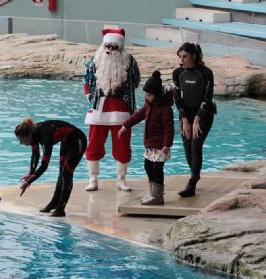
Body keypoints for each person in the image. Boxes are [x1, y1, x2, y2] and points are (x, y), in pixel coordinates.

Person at [83, 27, 141, 192]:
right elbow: (86, 80)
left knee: (123, 146)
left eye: (113, 47)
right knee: (94, 145)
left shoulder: (129, 61)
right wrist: (89, 96)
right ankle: (93, 179)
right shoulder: (94, 60)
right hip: (99, 109)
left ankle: (121, 180)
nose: (109, 50)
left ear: (120, 47)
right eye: (107, 46)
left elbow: (136, 80)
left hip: (121, 110)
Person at [118, 70, 174, 205]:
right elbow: (137, 116)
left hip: (161, 146)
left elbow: (169, 128)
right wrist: (125, 126)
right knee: (148, 167)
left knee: (157, 169)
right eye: (146, 94)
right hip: (150, 145)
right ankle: (152, 193)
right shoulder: (148, 106)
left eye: (149, 94)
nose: (146, 96)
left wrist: (167, 144)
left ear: (156, 95)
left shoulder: (165, 109)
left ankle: (158, 196)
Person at [15, 118, 87, 217]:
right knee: (61, 174)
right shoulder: (33, 134)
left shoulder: (45, 137)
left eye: (21, 139)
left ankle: (61, 209)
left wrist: (29, 181)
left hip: (78, 141)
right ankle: (53, 204)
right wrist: (30, 174)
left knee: (66, 173)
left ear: (29, 135)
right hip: (66, 141)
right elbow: (35, 155)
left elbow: (44, 166)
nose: (20, 143)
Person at [172, 42, 216, 197]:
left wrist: (197, 120)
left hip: (203, 114)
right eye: (180, 57)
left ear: (194, 57)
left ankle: (192, 181)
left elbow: (207, 98)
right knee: (187, 147)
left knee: (195, 144)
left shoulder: (205, 73)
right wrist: (185, 120)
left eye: (185, 57)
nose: (181, 60)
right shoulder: (177, 73)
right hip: (186, 116)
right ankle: (195, 175)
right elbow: (177, 98)